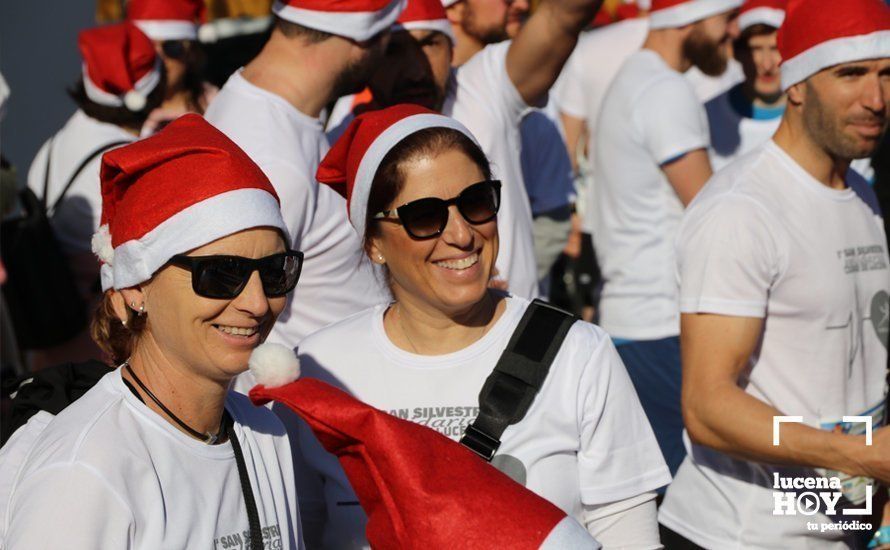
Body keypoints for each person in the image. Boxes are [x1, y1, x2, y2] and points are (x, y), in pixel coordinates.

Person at [295, 104, 671, 549]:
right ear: (374, 242)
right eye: (425, 216)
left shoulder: (578, 353)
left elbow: (629, 537)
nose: (461, 234)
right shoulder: (320, 370)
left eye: (475, 203)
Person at [1, 115, 303, 548]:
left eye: (275, 271)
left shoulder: (264, 431)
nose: (257, 303)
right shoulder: (85, 472)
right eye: (220, 273)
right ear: (135, 288)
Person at [659, 0, 890, 547]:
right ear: (796, 84)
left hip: (836, 526)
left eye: (888, 75)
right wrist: (862, 457)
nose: (876, 99)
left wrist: (872, 498)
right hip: (737, 535)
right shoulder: (742, 210)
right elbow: (707, 407)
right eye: (850, 74)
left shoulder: (859, 191)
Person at [348, 0, 604, 299]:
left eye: (430, 44)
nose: (416, 69)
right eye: (394, 49)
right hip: (411, 340)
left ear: (451, 46)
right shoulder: (346, 132)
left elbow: (564, 15)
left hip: (520, 338)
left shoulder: (483, 88)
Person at [592, 0, 740, 479]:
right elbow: (711, 212)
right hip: (661, 323)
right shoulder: (663, 90)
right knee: (698, 490)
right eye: (725, 17)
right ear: (690, 19)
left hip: (638, 322)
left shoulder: (635, 80)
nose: (731, 31)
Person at [205, 0, 397, 353]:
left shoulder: (264, 114)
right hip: (306, 402)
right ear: (364, 33)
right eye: (390, 36)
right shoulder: (273, 157)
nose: (390, 53)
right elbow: (225, 324)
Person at [26, 23, 165, 369]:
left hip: (51, 336)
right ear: (155, 86)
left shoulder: (55, 144)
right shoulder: (127, 164)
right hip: (101, 345)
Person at [704, 0, 785, 171]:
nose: (767, 64)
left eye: (775, 48)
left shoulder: (812, 117)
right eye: (755, 49)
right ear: (737, 53)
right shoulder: (706, 116)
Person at [127, 0, 219, 135]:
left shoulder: (218, 107)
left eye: (172, 47)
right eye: (148, 47)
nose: (160, 58)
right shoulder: (114, 115)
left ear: (190, 52)